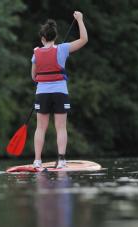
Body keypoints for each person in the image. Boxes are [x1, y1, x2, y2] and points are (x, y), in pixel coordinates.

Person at [31, 11, 88, 169]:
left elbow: (34, 76)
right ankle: (61, 160)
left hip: (42, 93)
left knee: (40, 127)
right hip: (60, 93)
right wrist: (80, 20)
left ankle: (37, 161)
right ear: (55, 37)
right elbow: (84, 39)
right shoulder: (63, 49)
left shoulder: (36, 53)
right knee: (61, 127)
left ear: (43, 38)